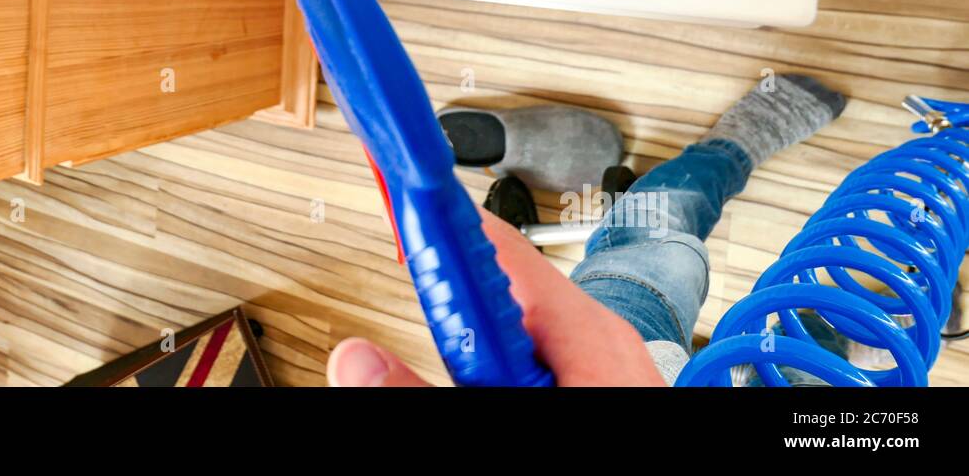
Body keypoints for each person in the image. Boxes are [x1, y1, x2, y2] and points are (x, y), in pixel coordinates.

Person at [327, 74, 846, 387]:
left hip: (624, 362)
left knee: (652, 235)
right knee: (822, 370)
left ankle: (734, 146)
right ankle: (841, 337)